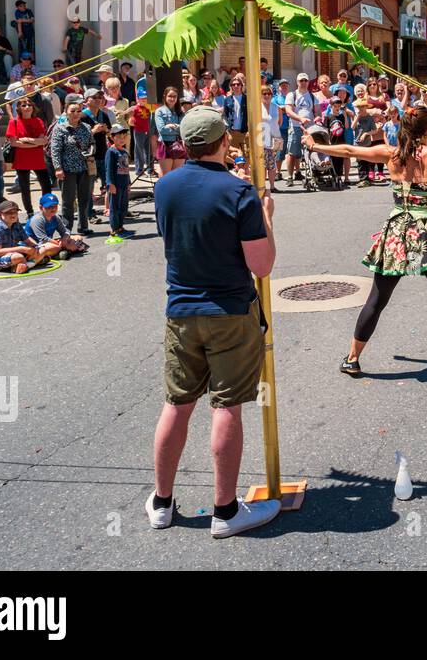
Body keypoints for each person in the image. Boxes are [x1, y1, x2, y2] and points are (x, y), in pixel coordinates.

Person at [149, 106, 281, 538]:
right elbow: (261, 266)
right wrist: (266, 218)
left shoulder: (164, 187)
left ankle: (162, 501)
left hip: (181, 310)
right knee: (227, 407)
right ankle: (224, 511)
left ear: (185, 146)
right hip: (229, 310)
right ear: (225, 142)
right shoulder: (239, 192)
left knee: (177, 404)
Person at [304, 106, 427, 380]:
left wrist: (315, 145)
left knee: (376, 300)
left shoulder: (391, 154)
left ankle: (352, 359)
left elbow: (350, 151)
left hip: (398, 231)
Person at [51, 96, 95, 237]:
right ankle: (66, 229)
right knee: (68, 201)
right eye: (73, 111)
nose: (76, 113)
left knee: (84, 199)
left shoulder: (86, 128)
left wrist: (91, 151)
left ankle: (83, 227)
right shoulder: (60, 129)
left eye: (78, 111)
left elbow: (92, 143)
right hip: (67, 169)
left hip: (84, 168)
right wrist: (58, 168)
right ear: (66, 112)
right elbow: (55, 150)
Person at [0, 199, 60, 273]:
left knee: (43, 249)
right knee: (18, 257)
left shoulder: (16, 224)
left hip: (12, 252)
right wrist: (23, 249)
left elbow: (28, 240)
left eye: (15, 212)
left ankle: (23, 266)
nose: (13, 215)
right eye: (9, 213)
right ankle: (28, 263)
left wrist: (36, 248)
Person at [28, 192, 88, 258]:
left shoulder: (56, 217)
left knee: (78, 237)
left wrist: (64, 239)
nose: (53, 209)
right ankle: (67, 250)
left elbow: (65, 231)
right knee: (52, 247)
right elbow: (43, 239)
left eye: (55, 206)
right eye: (49, 207)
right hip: (35, 244)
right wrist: (60, 244)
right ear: (41, 208)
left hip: (50, 242)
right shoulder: (37, 219)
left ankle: (66, 251)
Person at [105, 123, 133, 238]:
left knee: (123, 207)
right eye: (119, 137)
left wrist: (129, 183)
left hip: (124, 183)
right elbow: (108, 169)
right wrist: (110, 183)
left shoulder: (125, 151)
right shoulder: (111, 152)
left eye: (124, 137)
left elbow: (126, 169)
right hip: (115, 184)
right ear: (112, 137)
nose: (122, 139)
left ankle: (121, 227)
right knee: (115, 207)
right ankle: (114, 229)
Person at [153, 87, 186, 176]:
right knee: (165, 175)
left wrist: (171, 126)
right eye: (170, 96)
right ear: (165, 97)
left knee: (177, 175)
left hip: (178, 144)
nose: (172, 98)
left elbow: (183, 128)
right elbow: (162, 129)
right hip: (165, 144)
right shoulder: (159, 111)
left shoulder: (181, 112)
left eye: (174, 96)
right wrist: (177, 128)